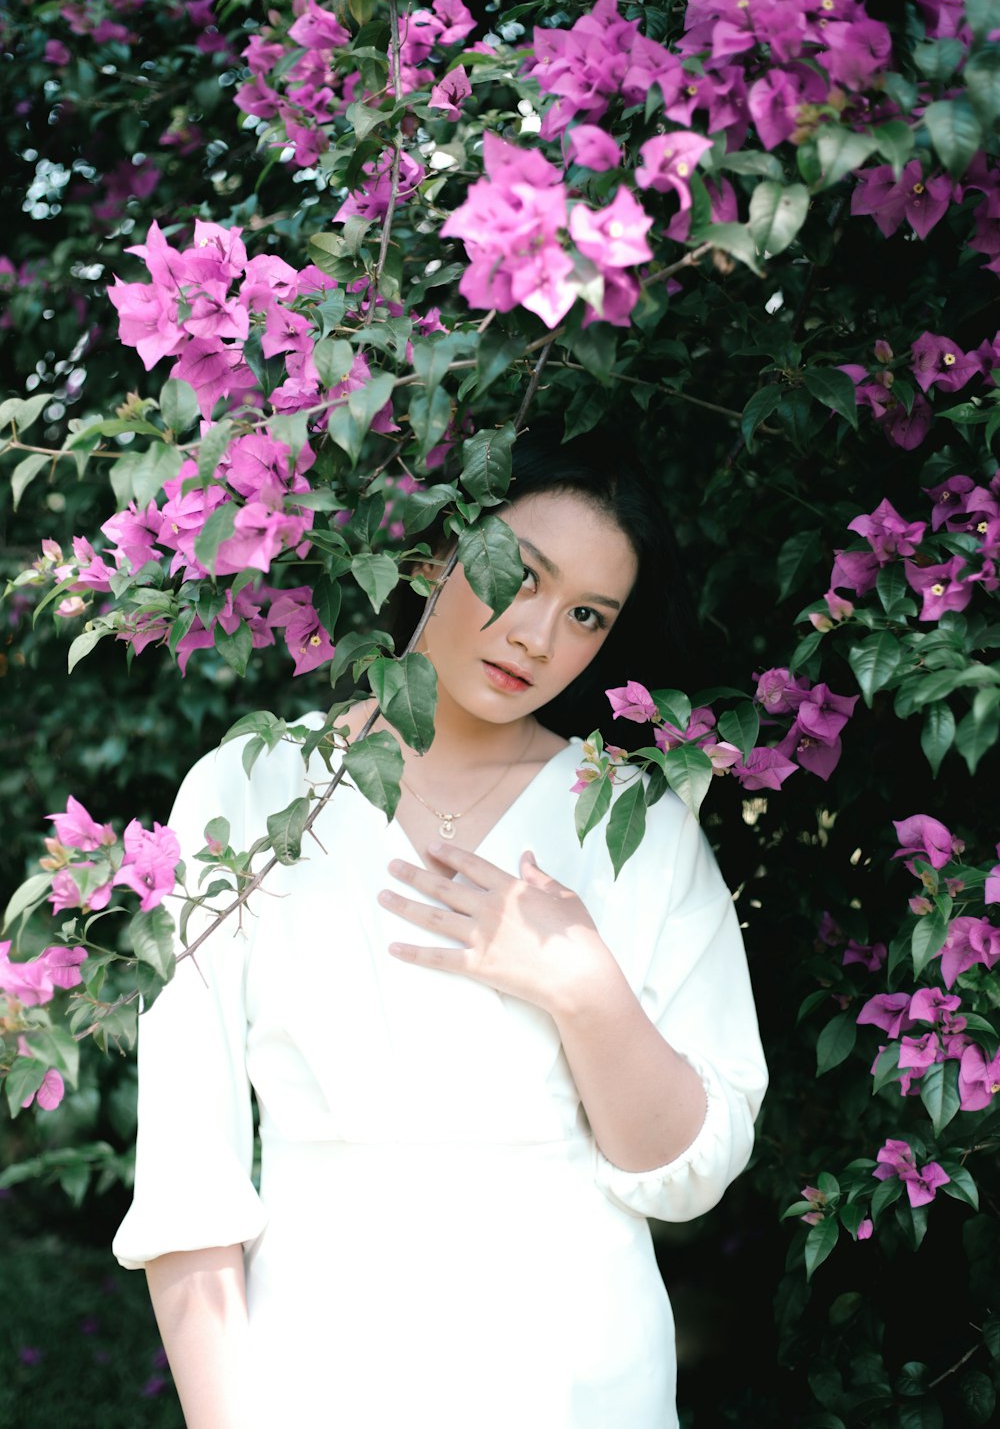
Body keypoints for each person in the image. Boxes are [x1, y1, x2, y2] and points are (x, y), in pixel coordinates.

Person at [112, 429, 768, 1429]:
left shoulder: (631, 821)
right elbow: (185, 1184)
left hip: (577, 1379)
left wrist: (582, 988)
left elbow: (684, 1174)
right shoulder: (250, 790)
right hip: (320, 1370)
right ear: (434, 551)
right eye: (519, 576)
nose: (538, 636)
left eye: (585, 614)